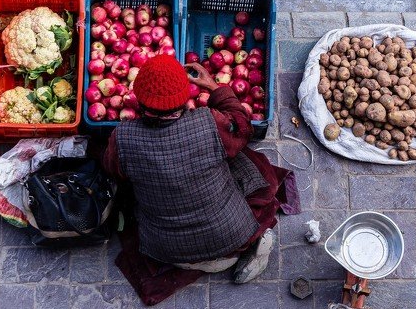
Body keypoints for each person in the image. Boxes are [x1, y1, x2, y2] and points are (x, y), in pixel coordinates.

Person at [102, 54, 283, 285]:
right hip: (230, 238)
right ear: (186, 96)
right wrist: (214, 87)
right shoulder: (210, 122)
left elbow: (114, 171)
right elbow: (244, 128)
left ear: (138, 100)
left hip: (168, 251)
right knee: (251, 163)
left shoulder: (122, 138)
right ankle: (256, 244)